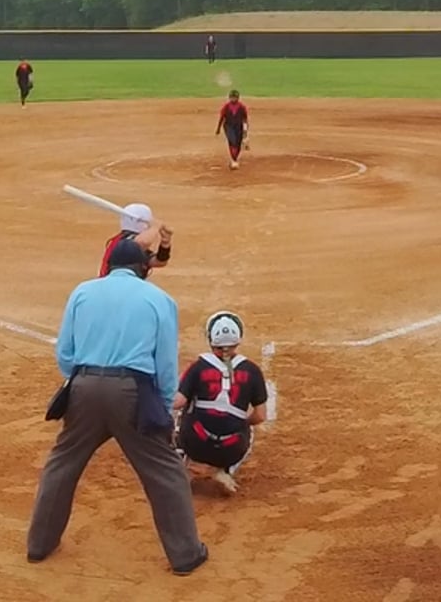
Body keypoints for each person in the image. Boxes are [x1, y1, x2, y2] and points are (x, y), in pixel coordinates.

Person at [27, 238, 209, 575]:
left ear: (109, 265)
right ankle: (186, 555)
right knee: (165, 471)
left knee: (62, 463)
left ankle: (39, 545)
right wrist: (163, 406)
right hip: (133, 391)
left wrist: (83, 381)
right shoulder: (159, 299)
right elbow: (165, 363)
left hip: (84, 386)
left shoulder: (83, 292)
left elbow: (65, 352)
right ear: (143, 269)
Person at [173, 311, 269, 496]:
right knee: (246, 427)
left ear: (211, 339)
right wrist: (241, 423)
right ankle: (224, 470)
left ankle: (187, 467)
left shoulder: (198, 366)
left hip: (196, 441)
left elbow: (178, 402)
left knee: (182, 412)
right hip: (231, 447)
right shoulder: (252, 371)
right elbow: (260, 416)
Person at [97, 202, 174, 278]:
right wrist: (155, 227)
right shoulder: (125, 243)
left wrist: (165, 243)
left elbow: (159, 262)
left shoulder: (126, 243)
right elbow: (142, 242)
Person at [216, 90, 249, 169]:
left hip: (239, 127)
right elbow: (222, 117)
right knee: (232, 141)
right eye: (232, 97)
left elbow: (245, 119)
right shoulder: (226, 107)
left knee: (238, 144)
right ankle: (234, 160)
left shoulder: (242, 107)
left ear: (238, 98)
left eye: (235, 97)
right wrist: (218, 128)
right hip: (228, 126)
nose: (233, 99)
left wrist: (245, 130)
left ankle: (235, 159)